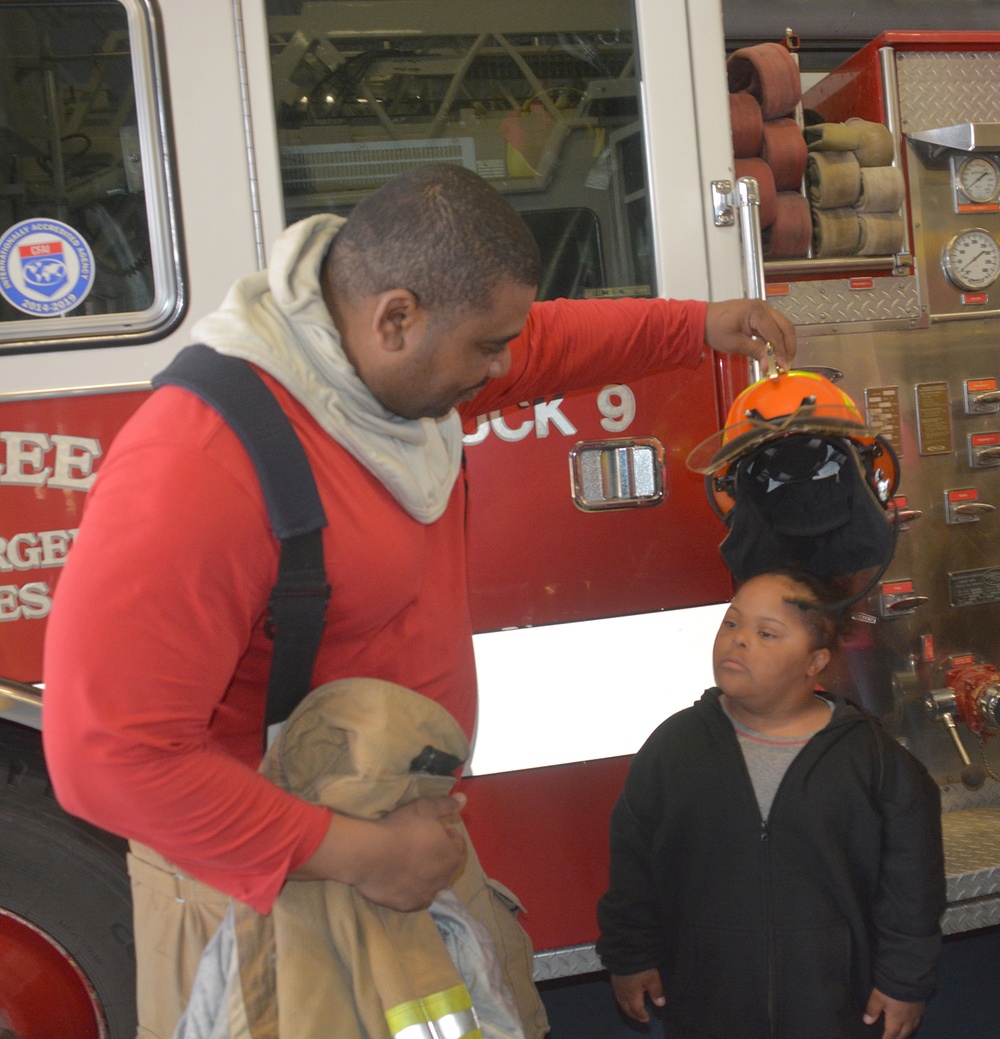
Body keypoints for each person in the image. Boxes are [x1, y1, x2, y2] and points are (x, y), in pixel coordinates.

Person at [41, 163, 796, 1039]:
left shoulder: (385, 371)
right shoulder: (199, 463)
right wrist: (364, 853)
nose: (504, 366)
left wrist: (701, 325)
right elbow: (108, 756)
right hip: (272, 890)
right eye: (486, 346)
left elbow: (545, 344)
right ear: (396, 316)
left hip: (393, 842)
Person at [596, 569, 946, 1039]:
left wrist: (906, 981)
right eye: (732, 623)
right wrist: (630, 956)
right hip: (708, 1006)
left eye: (766, 633)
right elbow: (632, 865)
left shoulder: (871, 758)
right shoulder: (676, 747)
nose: (738, 642)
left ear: (814, 661)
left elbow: (913, 886)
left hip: (836, 1008)